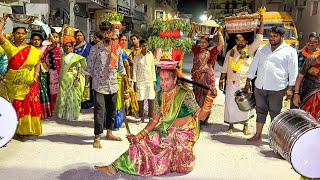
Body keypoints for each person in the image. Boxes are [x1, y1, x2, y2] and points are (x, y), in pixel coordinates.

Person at [94, 62, 218, 176]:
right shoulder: (159, 95)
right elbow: (154, 120)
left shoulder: (185, 94)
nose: (163, 83)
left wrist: (209, 100)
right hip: (166, 129)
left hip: (185, 133)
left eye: (167, 79)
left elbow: (201, 116)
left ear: (175, 80)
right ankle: (114, 167)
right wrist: (138, 136)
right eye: (161, 79)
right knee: (142, 142)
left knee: (183, 165)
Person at [245, 26, 298, 142]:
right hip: (260, 86)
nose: (272, 39)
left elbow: (293, 71)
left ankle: (274, 138)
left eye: (275, 36)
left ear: (282, 37)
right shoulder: (262, 49)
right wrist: (248, 80)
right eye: (270, 36)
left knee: (275, 113)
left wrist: (290, 88)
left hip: (277, 88)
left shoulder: (290, 51)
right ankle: (258, 135)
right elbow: (254, 65)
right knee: (260, 111)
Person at [85, 21, 128, 148]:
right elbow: (89, 68)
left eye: (108, 32)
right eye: (104, 32)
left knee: (111, 111)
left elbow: (121, 67)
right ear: (101, 33)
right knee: (99, 111)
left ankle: (109, 133)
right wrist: (86, 85)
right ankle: (97, 136)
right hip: (98, 85)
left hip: (113, 85)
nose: (106, 34)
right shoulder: (95, 49)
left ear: (112, 32)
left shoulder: (117, 49)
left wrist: (126, 82)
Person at [219, 15, 264, 135]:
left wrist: (262, 21)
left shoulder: (250, 50)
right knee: (230, 103)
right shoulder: (230, 52)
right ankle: (231, 125)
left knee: (246, 105)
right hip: (230, 83)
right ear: (235, 41)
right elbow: (225, 67)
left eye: (242, 40)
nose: (240, 42)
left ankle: (245, 126)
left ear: (246, 41)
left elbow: (259, 38)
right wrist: (221, 80)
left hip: (245, 83)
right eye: (238, 40)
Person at [0, 13, 42, 136]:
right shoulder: (9, 47)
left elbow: (37, 63)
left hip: (28, 84)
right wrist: (3, 20)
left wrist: (35, 76)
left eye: (23, 33)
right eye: (18, 33)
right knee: (13, 107)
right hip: (12, 84)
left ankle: (22, 130)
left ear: (26, 35)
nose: (21, 36)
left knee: (25, 107)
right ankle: (11, 130)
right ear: (13, 34)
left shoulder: (32, 50)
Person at [188, 24, 224, 125]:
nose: (202, 44)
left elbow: (221, 44)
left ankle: (204, 118)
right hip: (197, 77)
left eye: (205, 42)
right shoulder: (196, 50)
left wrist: (219, 32)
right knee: (196, 96)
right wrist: (192, 29)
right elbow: (188, 41)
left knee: (206, 96)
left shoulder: (211, 51)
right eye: (201, 42)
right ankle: (197, 116)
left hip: (207, 77)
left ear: (208, 43)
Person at [54, 31, 87, 121]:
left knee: (73, 97)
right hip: (64, 79)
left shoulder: (76, 57)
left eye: (70, 46)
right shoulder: (63, 56)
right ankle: (63, 114)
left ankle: (72, 114)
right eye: (66, 46)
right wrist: (62, 33)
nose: (68, 48)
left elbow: (79, 68)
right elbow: (59, 44)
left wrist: (77, 79)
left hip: (72, 78)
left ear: (73, 48)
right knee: (63, 96)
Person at [30, 32, 57, 119]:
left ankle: (43, 112)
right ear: (31, 40)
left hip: (42, 71)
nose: (36, 41)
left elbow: (54, 45)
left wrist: (50, 35)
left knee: (43, 90)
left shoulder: (44, 48)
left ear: (41, 41)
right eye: (34, 39)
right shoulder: (28, 48)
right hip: (31, 70)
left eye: (38, 40)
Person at [133, 40, 156, 124]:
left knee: (151, 100)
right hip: (140, 81)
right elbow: (134, 70)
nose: (145, 47)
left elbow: (153, 69)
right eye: (143, 46)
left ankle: (150, 118)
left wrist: (154, 81)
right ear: (140, 47)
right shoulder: (137, 57)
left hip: (149, 80)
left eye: (146, 45)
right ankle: (141, 118)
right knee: (140, 100)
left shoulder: (150, 56)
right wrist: (135, 83)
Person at [293, 52, 320, 120]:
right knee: (307, 117)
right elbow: (300, 76)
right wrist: (296, 94)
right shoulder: (311, 59)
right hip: (308, 91)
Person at [74, 30, 93, 109]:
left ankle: (88, 102)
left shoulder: (88, 46)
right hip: (76, 69)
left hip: (86, 68)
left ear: (83, 36)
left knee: (86, 84)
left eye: (80, 35)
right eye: (77, 36)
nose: (79, 37)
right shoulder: (72, 46)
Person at [47, 32, 61, 110]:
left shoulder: (61, 47)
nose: (55, 38)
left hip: (60, 69)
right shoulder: (48, 48)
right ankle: (53, 105)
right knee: (53, 87)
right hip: (52, 70)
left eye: (56, 37)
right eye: (53, 37)